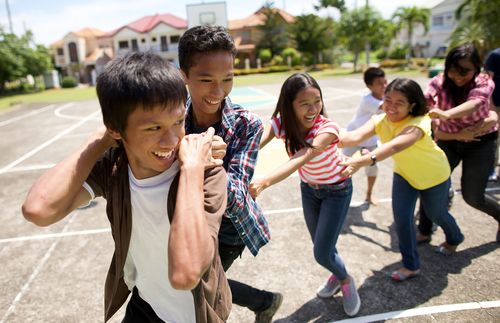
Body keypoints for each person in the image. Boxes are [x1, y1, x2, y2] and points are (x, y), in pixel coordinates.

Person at [21, 52, 232, 322]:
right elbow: (39, 209)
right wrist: (101, 138)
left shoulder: (206, 171)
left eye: (178, 122)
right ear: (116, 130)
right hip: (146, 304)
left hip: (196, 314)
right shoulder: (115, 168)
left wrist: (191, 169)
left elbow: (185, 273)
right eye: (154, 128)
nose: (170, 141)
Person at [178, 25, 282, 323]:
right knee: (186, 285)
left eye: (228, 79)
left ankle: (264, 301)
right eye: (206, 79)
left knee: (193, 289)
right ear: (184, 75)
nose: (218, 91)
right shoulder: (172, 118)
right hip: (185, 219)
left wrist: (208, 163)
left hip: (228, 230)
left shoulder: (246, 125)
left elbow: (236, 196)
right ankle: (264, 301)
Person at [250, 73, 361, 317]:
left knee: (321, 252)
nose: (313, 109)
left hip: (337, 190)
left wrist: (264, 182)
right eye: (304, 104)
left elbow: (303, 156)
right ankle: (337, 273)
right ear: (290, 104)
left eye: (317, 101)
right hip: (310, 190)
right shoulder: (283, 123)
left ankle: (345, 280)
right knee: (324, 247)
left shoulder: (328, 129)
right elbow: (256, 143)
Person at [340, 78, 465, 282]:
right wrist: (318, 135)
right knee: (402, 220)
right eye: (388, 100)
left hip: (434, 175)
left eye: (399, 103)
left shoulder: (419, 122)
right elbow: (353, 137)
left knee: (436, 213)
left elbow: (395, 146)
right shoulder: (380, 120)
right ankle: (411, 265)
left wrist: (362, 161)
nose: (391, 107)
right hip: (405, 175)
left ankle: (455, 238)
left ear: (412, 105)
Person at [416, 43, 500, 244]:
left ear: (477, 69)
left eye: (465, 71)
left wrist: (447, 114)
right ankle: (424, 230)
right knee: (429, 183)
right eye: (454, 70)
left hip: (481, 142)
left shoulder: (484, 82)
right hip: (449, 140)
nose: (459, 76)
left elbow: (476, 103)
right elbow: (425, 98)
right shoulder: (439, 82)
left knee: (473, 196)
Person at [343, 67, 387, 205]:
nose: (384, 86)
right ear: (369, 86)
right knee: (343, 164)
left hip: (371, 140)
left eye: (385, 82)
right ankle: (339, 193)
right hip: (354, 137)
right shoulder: (367, 100)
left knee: (373, 168)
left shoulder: (387, 98)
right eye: (379, 83)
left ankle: (369, 194)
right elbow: (387, 108)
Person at [484, 48, 500, 182]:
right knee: (493, 139)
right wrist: (491, 106)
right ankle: (490, 170)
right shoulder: (495, 55)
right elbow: (487, 82)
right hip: (496, 105)